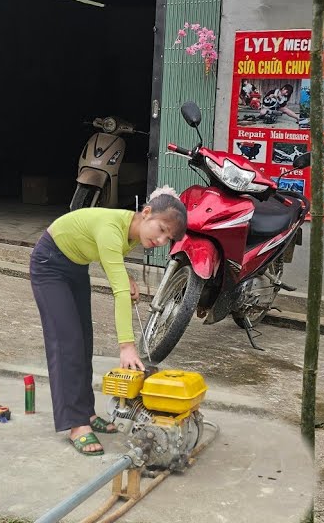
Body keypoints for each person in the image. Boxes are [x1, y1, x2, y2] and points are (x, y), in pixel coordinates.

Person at [30, 187, 187, 456]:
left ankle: (86, 414)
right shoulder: (112, 228)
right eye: (161, 229)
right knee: (67, 342)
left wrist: (125, 276)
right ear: (146, 213)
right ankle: (75, 425)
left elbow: (108, 257)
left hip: (75, 266)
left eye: (168, 238)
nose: (161, 240)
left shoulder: (134, 231)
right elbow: (119, 289)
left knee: (84, 342)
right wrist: (127, 345)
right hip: (49, 265)